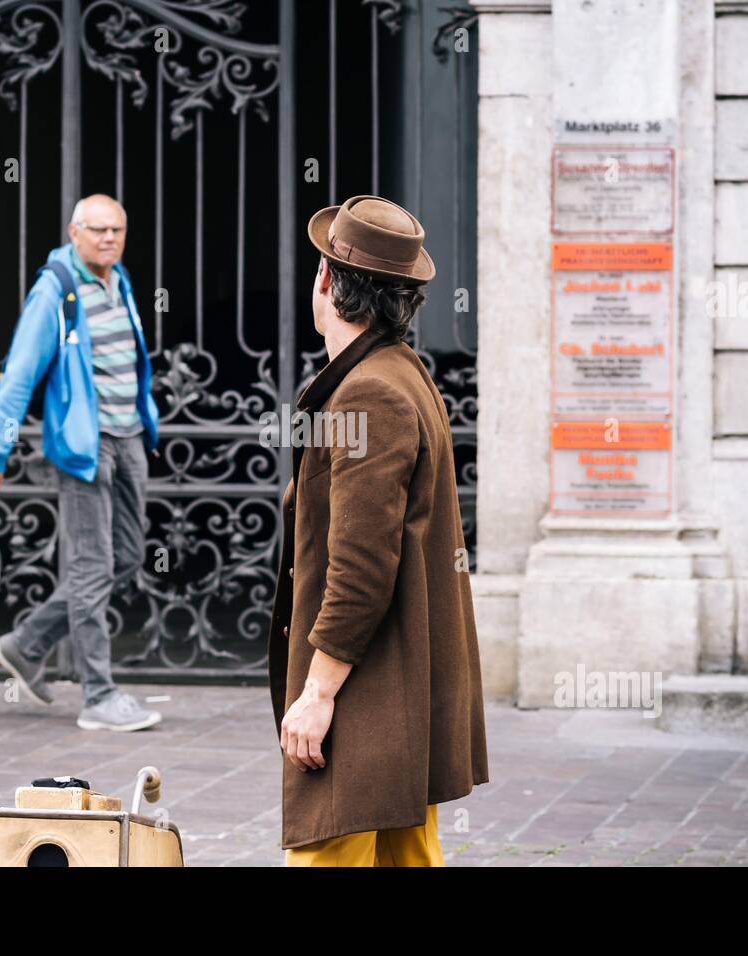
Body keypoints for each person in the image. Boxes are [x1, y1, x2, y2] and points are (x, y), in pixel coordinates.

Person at [267, 195, 489, 866]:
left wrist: (317, 693)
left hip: (367, 692)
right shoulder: (400, 372)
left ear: (328, 281)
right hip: (396, 689)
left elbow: (361, 566)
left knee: (327, 851)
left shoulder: (370, 389)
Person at [0, 194, 162, 731]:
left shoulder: (117, 278)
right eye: (98, 230)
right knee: (90, 567)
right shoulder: (55, 289)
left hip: (128, 439)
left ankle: (26, 643)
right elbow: (17, 379)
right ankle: (98, 696)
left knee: (125, 556)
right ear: (74, 232)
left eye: (117, 230)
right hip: (85, 447)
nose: (108, 238)